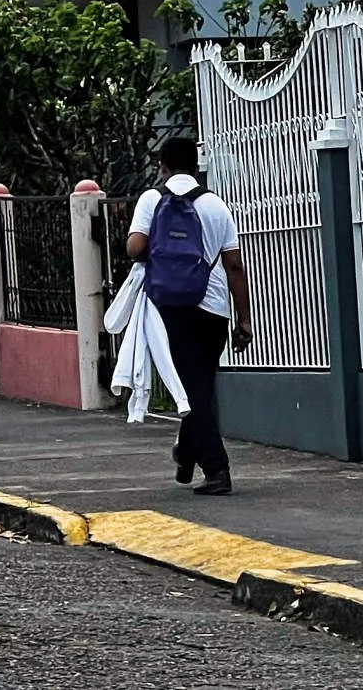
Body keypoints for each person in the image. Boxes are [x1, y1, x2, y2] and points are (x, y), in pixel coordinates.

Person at [128, 135, 251, 496]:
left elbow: (135, 247)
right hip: (213, 308)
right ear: (196, 168)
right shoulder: (216, 206)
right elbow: (234, 266)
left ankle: (217, 469)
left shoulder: (152, 199)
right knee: (200, 385)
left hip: (172, 306)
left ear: (162, 167)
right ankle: (186, 452)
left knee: (192, 387)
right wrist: (243, 319)